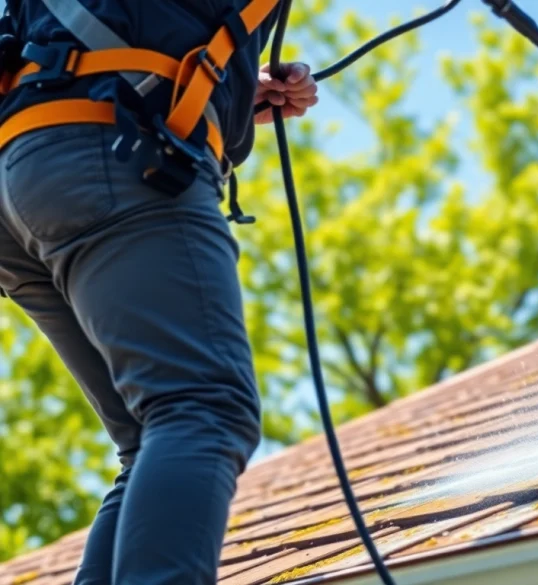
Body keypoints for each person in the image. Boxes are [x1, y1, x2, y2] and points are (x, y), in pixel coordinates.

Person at [0, 1, 318, 584]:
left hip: (29, 165)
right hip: (107, 155)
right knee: (202, 407)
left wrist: (224, 82)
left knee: (152, 437)